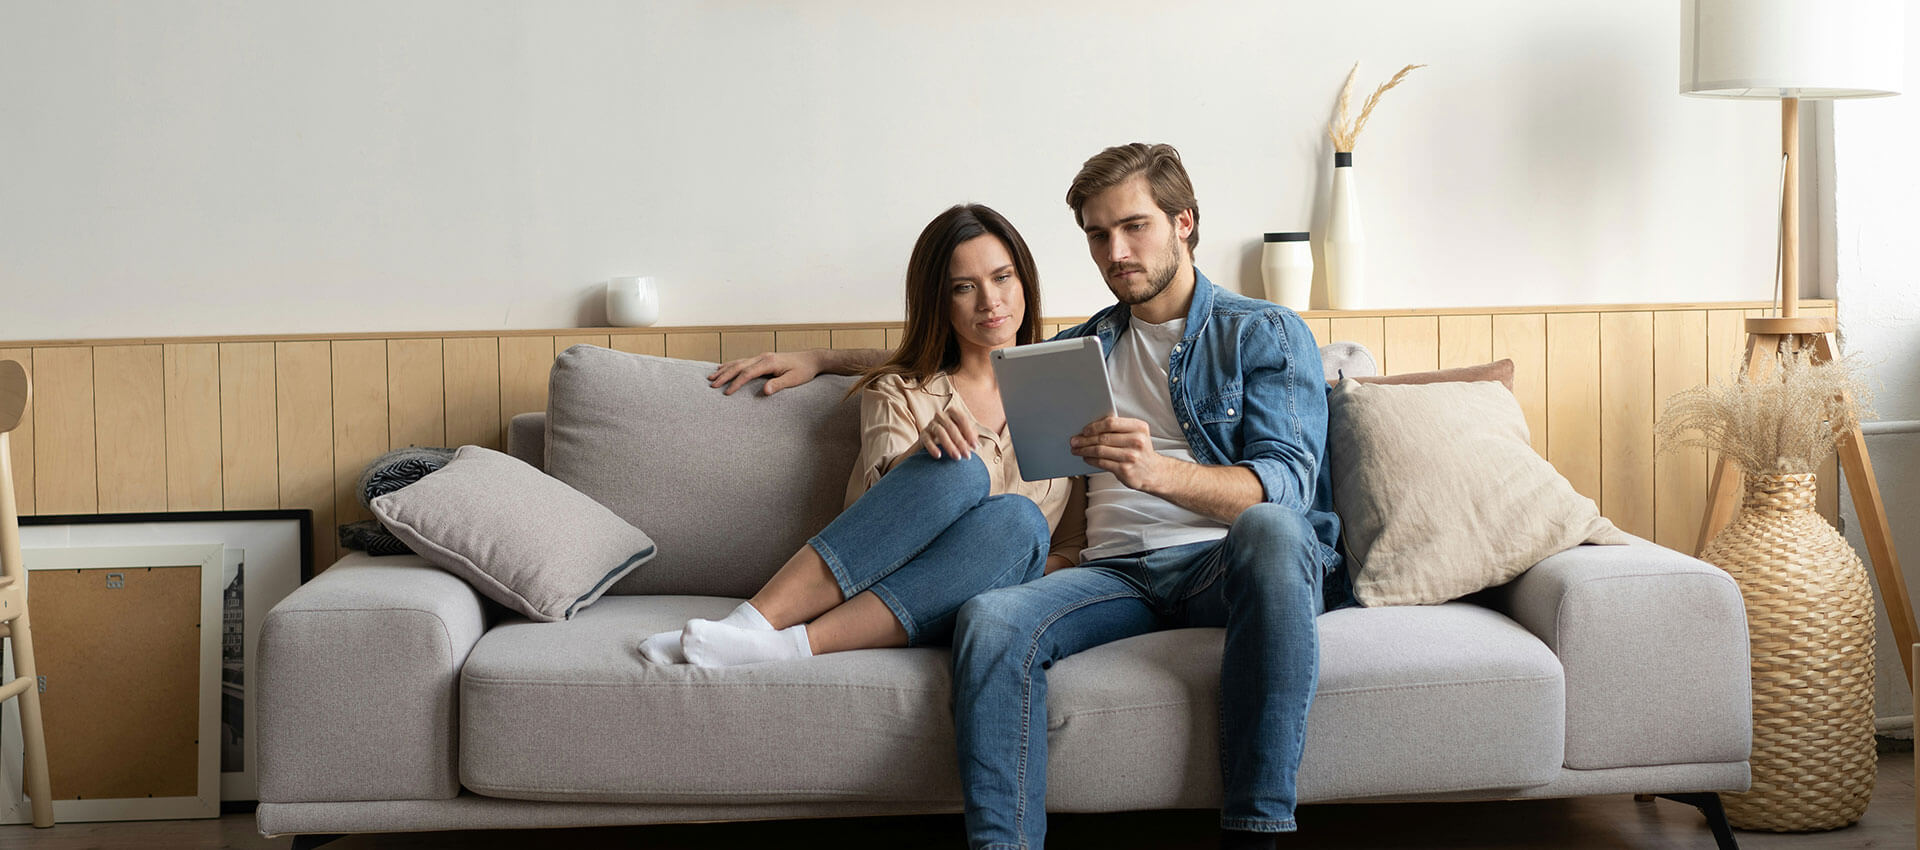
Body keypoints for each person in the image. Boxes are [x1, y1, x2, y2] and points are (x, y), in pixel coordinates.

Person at [709, 143, 1341, 850]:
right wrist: (823, 356)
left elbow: (1287, 487)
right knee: (991, 615)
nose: (1115, 252)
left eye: (1134, 227)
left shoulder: (1262, 332)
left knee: (1276, 531)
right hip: (1113, 576)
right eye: (1098, 235)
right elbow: (964, 354)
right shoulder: (1081, 350)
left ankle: (1255, 834)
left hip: (1222, 563)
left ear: (1184, 223)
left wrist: (1158, 473)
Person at [640, 203, 1086, 669]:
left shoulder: (1063, 394)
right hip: (881, 590)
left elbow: (1072, 545)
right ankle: (748, 627)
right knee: (960, 467)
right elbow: (873, 515)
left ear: (1024, 281)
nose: (990, 301)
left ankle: (784, 645)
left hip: (988, 599)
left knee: (1021, 522)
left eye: (1002, 277)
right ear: (939, 301)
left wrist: (996, 572)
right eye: (964, 287)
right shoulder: (898, 390)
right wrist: (921, 451)